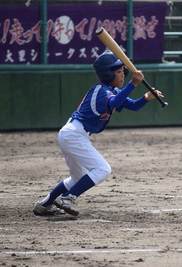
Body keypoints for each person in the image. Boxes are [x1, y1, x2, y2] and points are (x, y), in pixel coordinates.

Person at [33, 50, 165, 216]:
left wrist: (146, 98)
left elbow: (132, 105)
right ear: (107, 74)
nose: (123, 75)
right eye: (118, 72)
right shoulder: (100, 90)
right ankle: (68, 198)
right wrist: (133, 84)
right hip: (74, 134)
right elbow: (115, 102)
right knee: (103, 169)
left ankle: (44, 204)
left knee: (76, 178)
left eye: (123, 71)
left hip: (73, 134)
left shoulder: (113, 90)